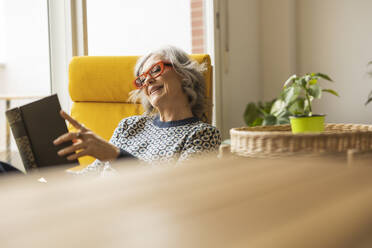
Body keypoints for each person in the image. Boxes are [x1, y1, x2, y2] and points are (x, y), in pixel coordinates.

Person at [53, 46, 221, 173]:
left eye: (155, 70)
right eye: (142, 79)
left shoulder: (203, 134)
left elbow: (178, 191)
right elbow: (89, 177)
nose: (147, 81)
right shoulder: (129, 126)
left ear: (183, 73)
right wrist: (39, 178)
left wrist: (116, 156)